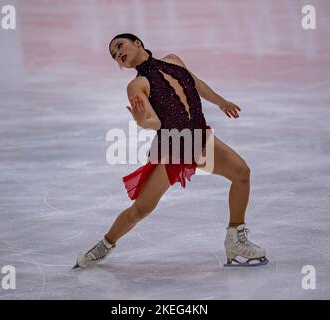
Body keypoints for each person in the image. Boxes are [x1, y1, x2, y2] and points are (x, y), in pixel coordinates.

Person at [72, 33, 268, 269]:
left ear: (138, 43)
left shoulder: (174, 60)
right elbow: (154, 122)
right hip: (173, 147)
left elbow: (195, 83)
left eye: (120, 46)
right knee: (141, 209)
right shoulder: (137, 84)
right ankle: (105, 244)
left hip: (199, 137)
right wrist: (141, 120)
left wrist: (220, 101)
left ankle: (236, 239)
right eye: (114, 56)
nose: (118, 55)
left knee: (241, 173)